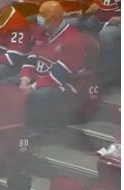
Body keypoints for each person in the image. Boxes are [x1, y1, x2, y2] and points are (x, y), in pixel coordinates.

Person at [15, 1, 87, 130]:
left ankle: (35, 131)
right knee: (7, 84)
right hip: (39, 78)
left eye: (43, 16)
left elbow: (58, 76)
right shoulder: (42, 32)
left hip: (66, 86)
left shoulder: (74, 38)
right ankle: (12, 126)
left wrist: (31, 87)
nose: (39, 19)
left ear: (53, 19)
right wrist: (24, 80)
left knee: (38, 95)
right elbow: (32, 57)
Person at [80, 0, 121, 84]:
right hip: (98, 20)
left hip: (117, 24)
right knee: (73, 24)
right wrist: (86, 11)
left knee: (106, 35)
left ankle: (108, 76)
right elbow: (96, 5)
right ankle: (73, 69)